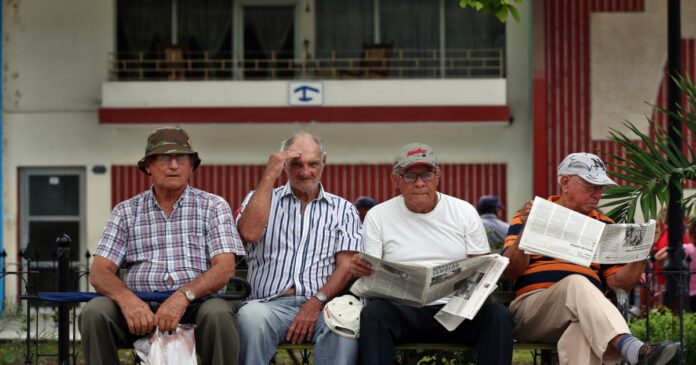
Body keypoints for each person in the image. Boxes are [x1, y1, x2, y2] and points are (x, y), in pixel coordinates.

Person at [79, 127, 245, 365]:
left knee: (218, 313)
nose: (174, 165)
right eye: (164, 158)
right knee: (95, 313)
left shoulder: (213, 206)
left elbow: (225, 268)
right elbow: (100, 271)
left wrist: (183, 296)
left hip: (196, 306)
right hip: (139, 308)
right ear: (148, 166)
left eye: (182, 159)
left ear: (191, 166)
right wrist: (128, 301)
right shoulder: (126, 211)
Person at [503, 152, 677, 365]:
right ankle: (631, 347)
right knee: (576, 283)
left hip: (585, 315)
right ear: (565, 182)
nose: (598, 194)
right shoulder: (532, 214)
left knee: (582, 332)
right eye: (591, 186)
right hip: (533, 312)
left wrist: (641, 254)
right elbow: (511, 271)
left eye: (601, 187)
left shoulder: (605, 225)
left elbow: (617, 283)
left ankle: (634, 350)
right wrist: (527, 229)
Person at [350, 142, 513, 365]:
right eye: (410, 176)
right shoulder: (378, 215)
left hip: (456, 311)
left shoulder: (464, 211)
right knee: (374, 314)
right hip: (403, 312)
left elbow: (482, 269)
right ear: (395, 180)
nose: (419, 183)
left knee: (497, 316)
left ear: (438, 177)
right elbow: (373, 271)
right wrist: (361, 269)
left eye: (426, 174)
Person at [236, 131, 363, 365]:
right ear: (284, 165)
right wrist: (269, 176)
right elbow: (249, 233)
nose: (305, 172)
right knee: (250, 318)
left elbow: (346, 267)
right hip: (267, 306)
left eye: (313, 164)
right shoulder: (260, 198)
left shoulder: (343, 209)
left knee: (345, 324)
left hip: (323, 306)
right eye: (296, 164)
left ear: (324, 162)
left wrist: (315, 303)